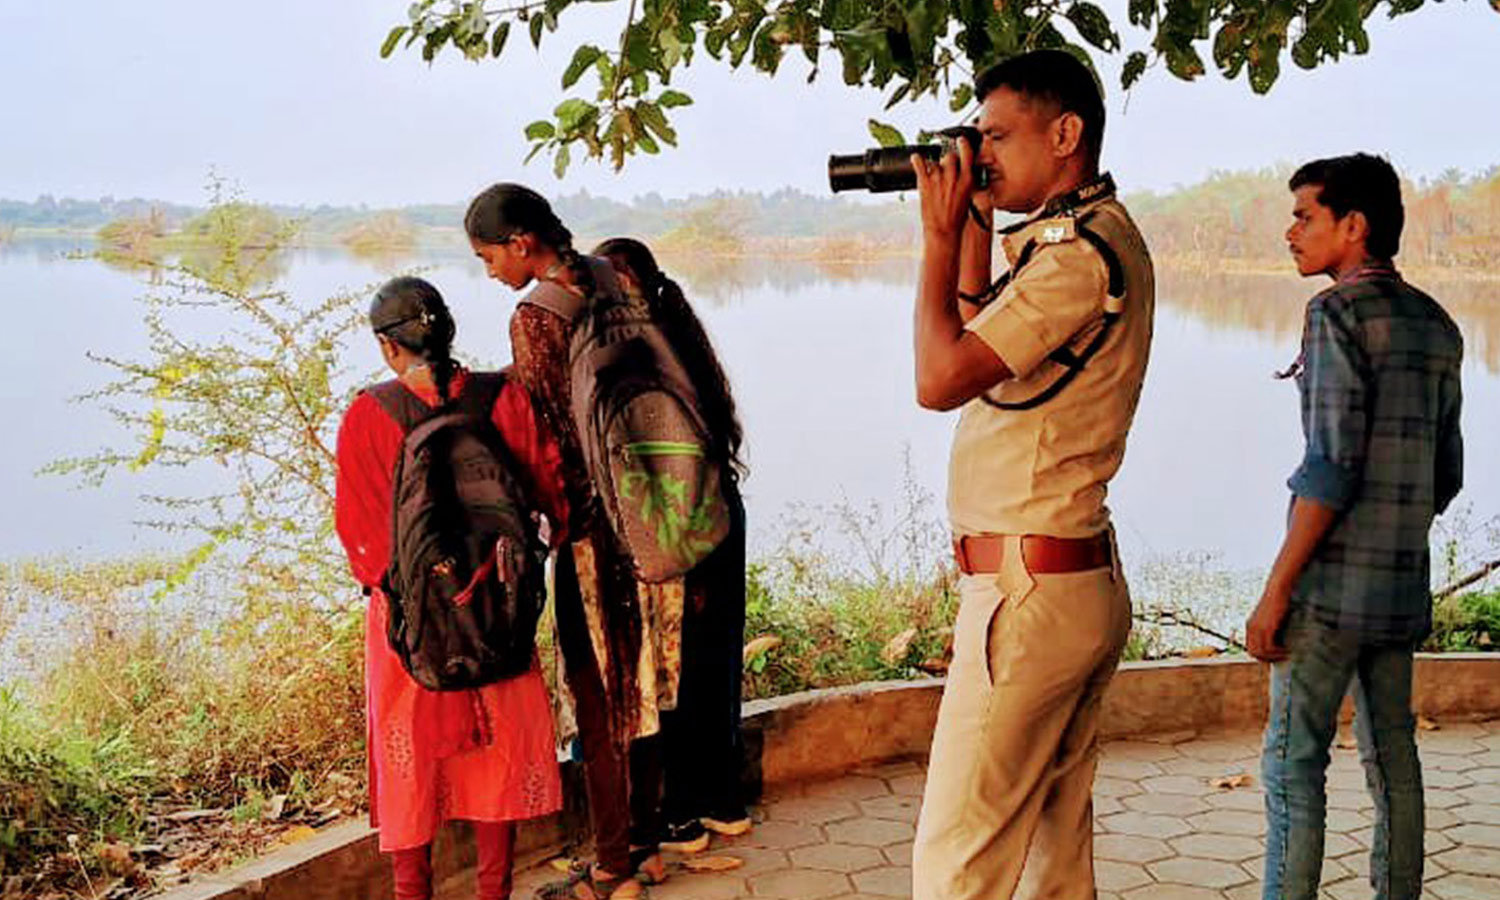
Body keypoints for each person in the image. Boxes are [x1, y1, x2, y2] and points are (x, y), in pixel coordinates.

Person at [906, 50, 1155, 899]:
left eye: (998, 138)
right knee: (1052, 859)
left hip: (1030, 596)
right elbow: (980, 331)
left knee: (957, 862)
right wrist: (973, 213)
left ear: (1066, 133)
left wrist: (939, 235)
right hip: (1062, 578)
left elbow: (939, 379)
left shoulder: (1078, 256)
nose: (986, 154)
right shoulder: (1080, 240)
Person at [1245, 153, 1464, 900]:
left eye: (1306, 216)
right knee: (1392, 756)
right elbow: (1447, 476)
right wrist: (1394, 532)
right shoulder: (1438, 325)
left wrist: (1277, 591)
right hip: (1400, 587)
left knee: (1291, 766)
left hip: (1330, 592)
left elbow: (1329, 467)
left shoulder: (1333, 314)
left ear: (1354, 226)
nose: (1291, 231)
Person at [464, 185, 671, 899]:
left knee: (599, 696)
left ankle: (612, 866)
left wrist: (552, 526)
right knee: (641, 685)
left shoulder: (535, 314)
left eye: (488, 254)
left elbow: (551, 438)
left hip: (593, 531)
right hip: (652, 514)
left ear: (522, 242)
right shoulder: (611, 279)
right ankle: (645, 842)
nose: (488, 269)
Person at [334, 276, 566, 900]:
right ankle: (495, 892)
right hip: (498, 614)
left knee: (410, 769)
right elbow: (550, 499)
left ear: (389, 347)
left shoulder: (368, 414)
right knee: (499, 762)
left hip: (412, 630)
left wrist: (411, 592)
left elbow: (361, 539)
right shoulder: (505, 398)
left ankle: (414, 893)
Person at [591, 237, 751, 852]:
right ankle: (723, 799)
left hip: (675, 520)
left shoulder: (635, 353)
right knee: (716, 658)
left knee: (677, 666)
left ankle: (681, 812)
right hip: (719, 512)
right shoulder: (684, 342)